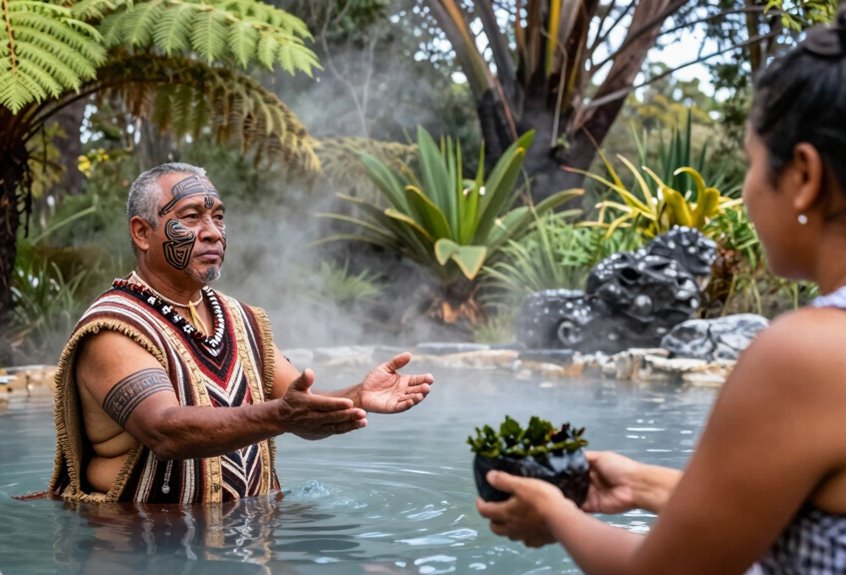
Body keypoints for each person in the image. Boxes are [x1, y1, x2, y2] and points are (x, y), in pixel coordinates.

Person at [476, 9, 846, 574]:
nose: (744, 190)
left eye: (749, 162)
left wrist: (556, 515)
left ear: (804, 176)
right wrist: (647, 485)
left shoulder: (810, 354)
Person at [49, 162, 434, 505]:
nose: (213, 232)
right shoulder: (114, 328)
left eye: (218, 217)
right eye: (192, 217)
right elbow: (164, 431)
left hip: (249, 536)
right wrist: (280, 417)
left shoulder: (240, 318)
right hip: (145, 544)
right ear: (142, 233)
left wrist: (357, 395)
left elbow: (299, 406)